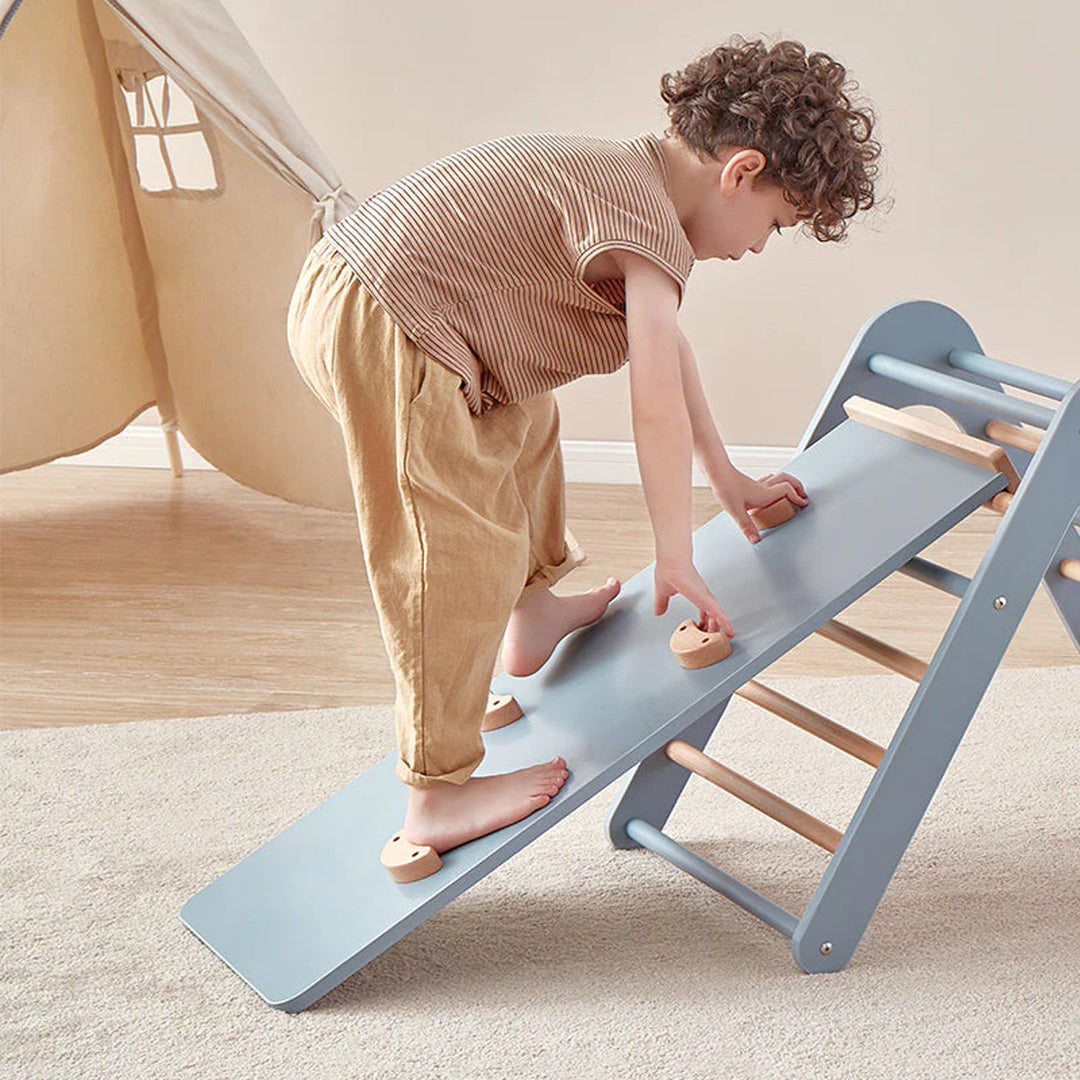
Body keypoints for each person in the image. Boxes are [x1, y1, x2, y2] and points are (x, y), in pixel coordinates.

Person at [286, 34, 881, 859]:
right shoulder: (645, 225)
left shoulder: (625, 181)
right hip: (389, 323)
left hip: (381, 299)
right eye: (776, 224)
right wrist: (674, 555)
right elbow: (654, 412)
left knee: (523, 424)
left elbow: (667, 356)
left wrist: (728, 479)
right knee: (447, 551)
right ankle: (434, 795)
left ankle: (531, 612)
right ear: (740, 172)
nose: (755, 248)